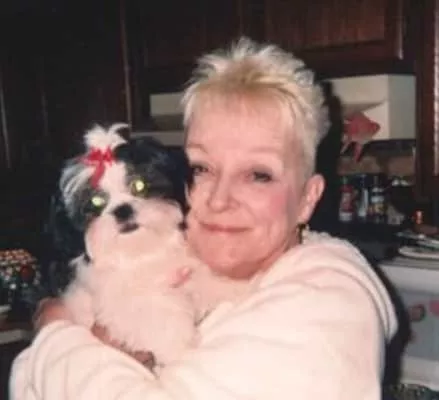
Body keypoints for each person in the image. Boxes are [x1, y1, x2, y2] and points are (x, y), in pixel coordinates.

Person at [10, 37, 397, 400]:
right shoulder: (181, 263)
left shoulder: (326, 304)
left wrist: (56, 333)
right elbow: (24, 380)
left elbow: (39, 372)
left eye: (258, 175)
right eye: (202, 168)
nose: (219, 199)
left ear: (307, 198)